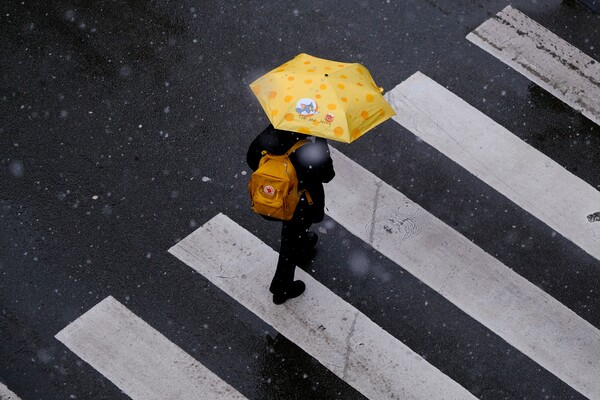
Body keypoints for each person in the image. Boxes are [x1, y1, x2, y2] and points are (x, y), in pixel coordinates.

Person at [247, 124, 335, 305]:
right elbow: (327, 175)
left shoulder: (270, 134)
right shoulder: (309, 149)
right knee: (291, 238)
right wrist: (321, 143)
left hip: (270, 199)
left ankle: (302, 242)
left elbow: (251, 158)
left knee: (293, 234)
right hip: (299, 206)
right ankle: (281, 287)